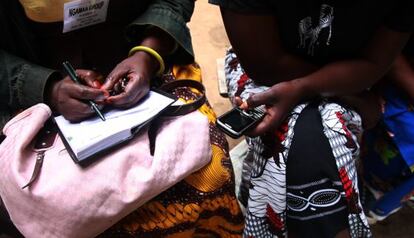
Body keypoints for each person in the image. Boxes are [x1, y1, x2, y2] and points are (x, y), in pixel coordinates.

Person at [0, 0, 244, 236]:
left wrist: (148, 54)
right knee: (49, 202)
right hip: (25, 83)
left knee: (209, 173)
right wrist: (46, 88)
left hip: (142, 64)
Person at [209, 0, 414, 237]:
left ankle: (256, 194)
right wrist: (352, 96)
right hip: (271, 75)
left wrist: (313, 87)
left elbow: (375, 62)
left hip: (351, 75)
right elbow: (265, 64)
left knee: (317, 161)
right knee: (301, 156)